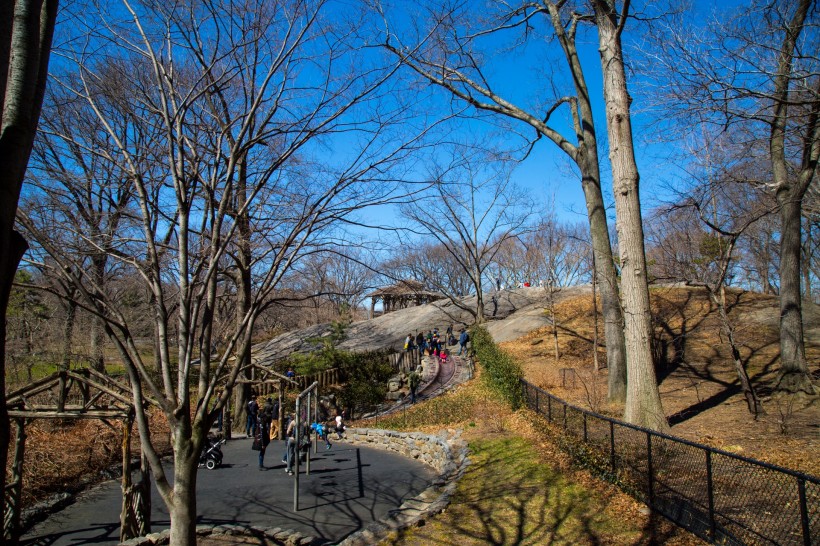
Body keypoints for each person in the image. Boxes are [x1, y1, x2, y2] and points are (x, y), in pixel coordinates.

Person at [256, 403, 272, 470]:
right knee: (262, 451)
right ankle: (260, 465)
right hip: (262, 437)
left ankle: (261, 464)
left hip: (260, 435)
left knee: (262, 451)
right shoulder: (263, 421)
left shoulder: (260, 417)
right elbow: (262, 432)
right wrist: (263, 443)